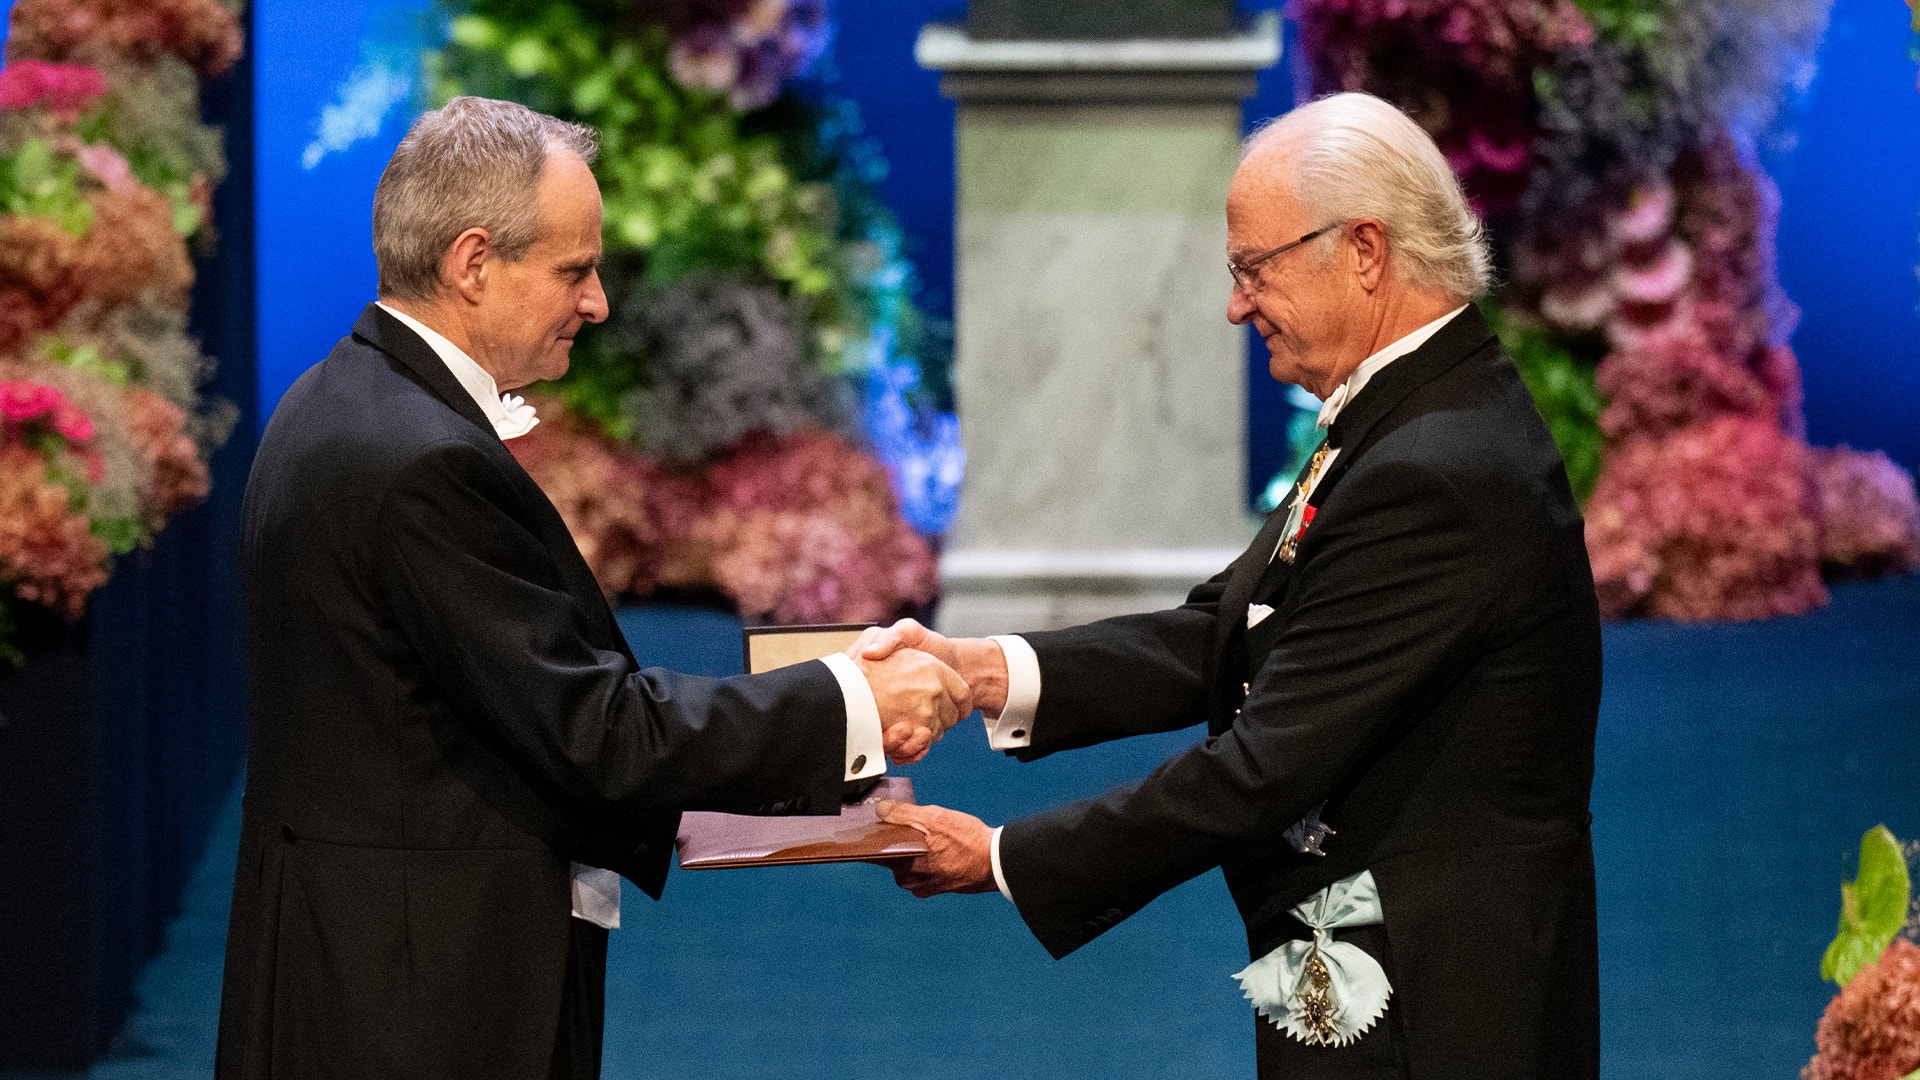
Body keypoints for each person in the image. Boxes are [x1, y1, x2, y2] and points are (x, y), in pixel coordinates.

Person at [217, 96, 970, 1080]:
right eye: (574, 270)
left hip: (376, 964)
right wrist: (853, 701)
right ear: (473, 263)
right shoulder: (419, 463)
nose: (599, 302)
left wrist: (799, 789)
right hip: (415, 1003)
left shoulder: (341, 403)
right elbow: (598, 735)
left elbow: (497, 723)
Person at [864, 92, 1602, 1079]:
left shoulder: (1438, 466)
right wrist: (980, 672)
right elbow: (1231, 627)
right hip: (1350, 952)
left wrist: (1002, 856)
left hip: (1432, 1001)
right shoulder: (1409, 410)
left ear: (1365, 251)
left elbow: (1263, 769)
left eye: (1255, 269)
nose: (1236, 306)